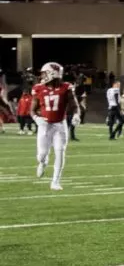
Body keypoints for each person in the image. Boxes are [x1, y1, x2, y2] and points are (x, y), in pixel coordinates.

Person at [31, 61, 80, 191]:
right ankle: (43, 162)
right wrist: (36, 118)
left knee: (60, 152)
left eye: (44, 73)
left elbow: (74, 105)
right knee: (41, 154)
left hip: (60, 124)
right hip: (45, 125)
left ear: (53, 73)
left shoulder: (66, 87)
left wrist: (76, 115)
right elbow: (32, 109)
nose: (42, 76)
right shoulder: (38, 88)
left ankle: (55, 181)